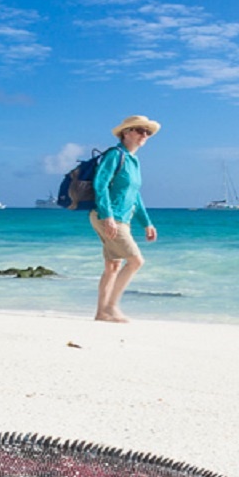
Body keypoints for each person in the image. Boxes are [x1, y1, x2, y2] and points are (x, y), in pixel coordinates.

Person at [90, 115, 159, 322]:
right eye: (140, 130)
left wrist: (146, 222)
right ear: (127, 132)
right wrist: (108, 216)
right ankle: (111, 307)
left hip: (122, 219)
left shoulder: (134, 161)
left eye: (147, 132)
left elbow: (135, 196)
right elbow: (100, 185)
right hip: (108, 217)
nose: (144, 135)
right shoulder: (115, 155)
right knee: (136, 260)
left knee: (113, 266)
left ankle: (102, 313)